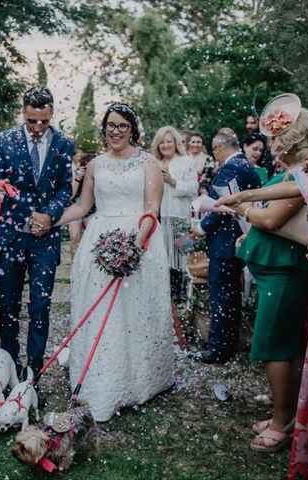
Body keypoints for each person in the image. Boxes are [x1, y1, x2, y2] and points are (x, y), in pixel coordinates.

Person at [54, 102, 173, 422]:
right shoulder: (95, 166)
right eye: (110, 125)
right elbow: (82, 207)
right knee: (97, 307)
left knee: (133, 309)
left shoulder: (149, 164)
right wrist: (50, 221)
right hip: (99, 240)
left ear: (133, 129)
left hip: (139, 239)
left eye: (122, 125)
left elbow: (152, 208)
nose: (115, 131)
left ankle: (138, 378)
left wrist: (135, 245)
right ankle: (98, 376)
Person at [234, 108, 308, 452]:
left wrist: (241, 208)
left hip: (288, 272)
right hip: (278, 269)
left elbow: (271, 219)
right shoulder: (291, 172)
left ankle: (281, 423)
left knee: (277, 346)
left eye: (277, 139)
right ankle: (285, 413)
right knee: (280, 344)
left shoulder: (304, 175)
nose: (272, 144)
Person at [0, 86, 74, 377]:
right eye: (32, 121)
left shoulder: (64, 144)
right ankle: (9, 369)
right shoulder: (4, 140)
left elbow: (65, 187)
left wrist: (50, 215)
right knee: (8, 305)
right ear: (24, 112)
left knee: (40, 306)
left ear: (52, 114)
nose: (37, 128)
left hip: (45, 239)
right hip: (12, 237)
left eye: (43, 122)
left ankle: (33, 372)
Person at [196, 130, 261, 364]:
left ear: (221, 147)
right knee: (230, 293)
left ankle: (218, 348)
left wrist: (201, 228)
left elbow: (218, 205)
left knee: (221, 293)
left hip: (225, 240)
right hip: (233, 238)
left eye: (214, 149)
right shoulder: (244, 165)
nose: (214, 154)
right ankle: (228, 343)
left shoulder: (233, 168)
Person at [151, 126, 198, 301]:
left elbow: (194, 189)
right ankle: (164, 295)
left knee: (183, 256)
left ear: (176, 143)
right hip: (158, 217)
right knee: (161, 257)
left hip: (180, 216)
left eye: (169, 141)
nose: (165, 145)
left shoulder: (187, 161)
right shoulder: (153, 163)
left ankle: (182, 297)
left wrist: (172, 181)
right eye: (162, 142)